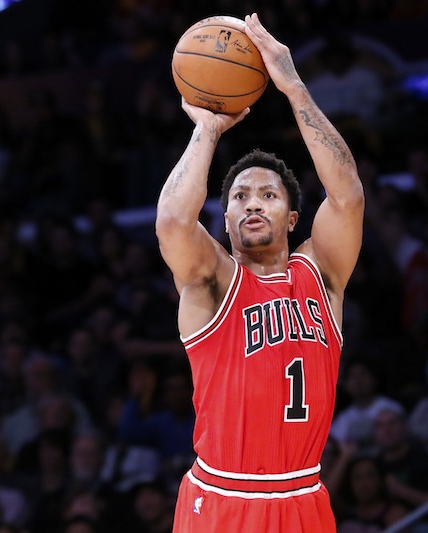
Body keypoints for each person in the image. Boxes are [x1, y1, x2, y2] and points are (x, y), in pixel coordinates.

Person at [155, 12, 364, 533]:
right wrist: (206, 129)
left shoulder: (323, 275)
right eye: (240, 197)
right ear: (223, 221)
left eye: (268, 195)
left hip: (304, 496)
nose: (252, 204)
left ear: (292, 218)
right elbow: (173, 221)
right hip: (224, 497)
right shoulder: (214, 283)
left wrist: (293, 88)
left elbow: (348, 196)